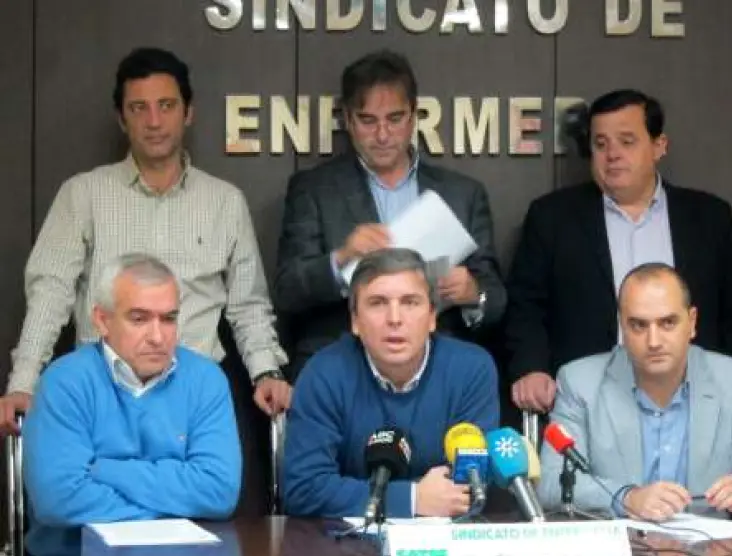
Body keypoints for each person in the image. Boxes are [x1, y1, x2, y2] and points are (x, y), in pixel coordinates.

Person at [0, 47, 290, 435]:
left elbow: (248, 306)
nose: (154, 121)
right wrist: (23, 383)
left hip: (193, 396)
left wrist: (267, 373)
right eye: (139, 108)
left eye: (166, 105)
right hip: (100, 395)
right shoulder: (83, 194)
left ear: (188, 112)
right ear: (122, 119)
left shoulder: (225, 202)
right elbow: (50, 295)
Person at [504, 88, 732, 417]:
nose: (612, 154)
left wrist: (729, 393)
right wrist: (531, 368)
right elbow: (525, 307)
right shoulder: (552, 217)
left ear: (659, 146)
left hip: (689, 403)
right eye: (600, 144)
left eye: (627, 141)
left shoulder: (709, 217)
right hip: (588, 404)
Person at [274, 50, 505, 375]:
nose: (382, 135)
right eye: (368, 120)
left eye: (395, 119)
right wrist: (341, 259)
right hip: (341, 364)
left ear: (413, 116)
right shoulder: (313, 189)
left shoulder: (462, 194)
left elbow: (495, 299)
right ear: (348, 120)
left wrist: (472, 293)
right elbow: (287, 291)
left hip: (437, 367)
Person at [23, 254, 241, 556]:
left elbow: (218, 492)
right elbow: (58, 500)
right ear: (102, 320)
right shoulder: (64, 382)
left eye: (169, 319)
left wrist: (105, 469)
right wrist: (172, 509)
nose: (157, 337)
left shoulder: (206, 380)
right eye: (139, 319)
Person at [536, 262, 732, 519]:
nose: (654, 341)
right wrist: (627, 498)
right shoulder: (580, 383)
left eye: (668, 323)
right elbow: (551, 482)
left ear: (692, 322)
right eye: (639, 325)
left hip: (710, 539)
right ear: (622, 326)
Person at [282, 248, 499, 518]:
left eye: (410, 302)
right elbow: (303, 489)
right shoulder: (323, 374)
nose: (394, 319)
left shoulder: (471, 369)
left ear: (432, 317)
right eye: (378, 303)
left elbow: (471, 486)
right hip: (345, 538)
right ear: (355, 321)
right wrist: (411, 499)